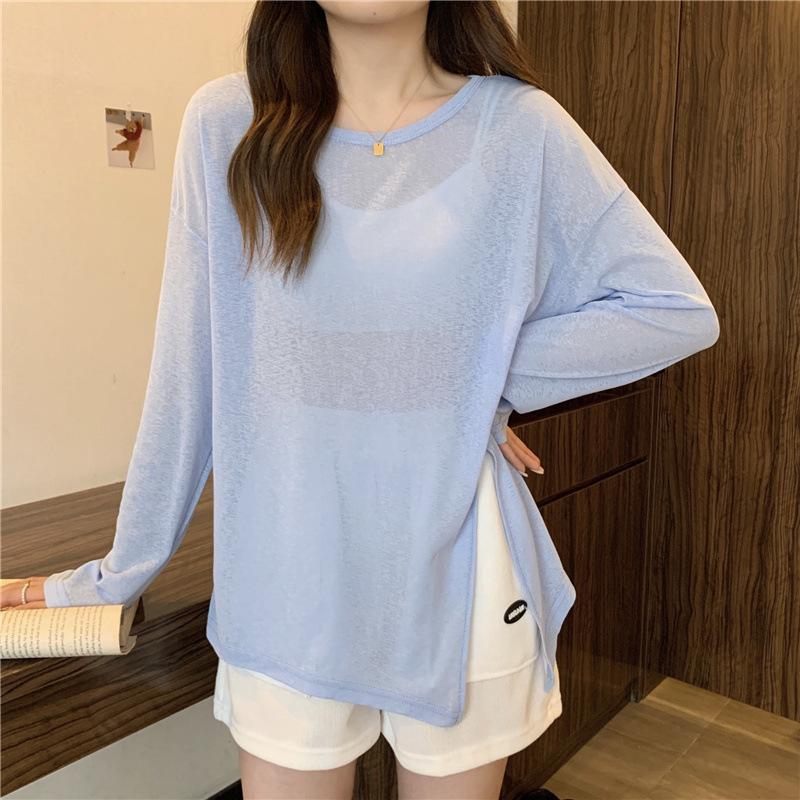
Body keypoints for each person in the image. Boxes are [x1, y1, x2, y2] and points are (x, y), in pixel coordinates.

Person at [1, 2, 720, 798]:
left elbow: (672, 309)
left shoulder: (522, 130)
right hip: (285, 574)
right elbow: (188, 374)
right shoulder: (227, 123)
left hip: (462, 570)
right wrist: (116, 574)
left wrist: (477, 381)